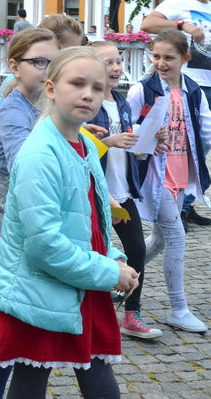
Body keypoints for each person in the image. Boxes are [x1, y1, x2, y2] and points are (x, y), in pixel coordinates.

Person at [0, 47, 138, 399]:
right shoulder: (39, 154)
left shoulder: (83, 142)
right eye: (77, 83)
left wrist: (115, 256)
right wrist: (109, 272)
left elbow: (94, 218)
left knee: (96, 377)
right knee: (30, 377)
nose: (88, 94)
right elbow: (43, 245)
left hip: (83, 279)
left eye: (97, 88)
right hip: (43, 287)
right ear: (51, 88)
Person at [127, 29, 211, 333]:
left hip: (180, 174)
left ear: (185, 59)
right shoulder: (141, 90)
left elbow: (210, 128)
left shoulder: (193, 90)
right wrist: (142, 134)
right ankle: (179, 309)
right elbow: (125, 125)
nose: (160, 62)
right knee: (176, 237)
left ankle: (114, 276)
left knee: (158, 239)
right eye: (156, 56)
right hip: (153, 178)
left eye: (168, 57)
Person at [141, 0, 211, 228]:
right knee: (183, 143)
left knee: (201, 148)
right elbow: (147, 23)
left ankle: (187, 204)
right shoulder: (178, 2)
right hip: (186, 82)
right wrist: (182, 26)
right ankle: (171, 203)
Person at [87, 40, 163, 340]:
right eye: (109, 62)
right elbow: (78, 148)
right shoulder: (88, 104)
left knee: (136, 251)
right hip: (96, 193)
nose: (116, 67)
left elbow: (133, 150)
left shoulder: (120, 102)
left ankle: (132, 315)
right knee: (97, 252)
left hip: (124, 190)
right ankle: (90, 314)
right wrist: (109, 142)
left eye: (118, 61)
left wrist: (150, 142)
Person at [0, 28, 61, 279]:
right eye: (38, 62)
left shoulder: (47, 104)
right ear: (15, 67)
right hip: (11, 206)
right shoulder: (13, 110)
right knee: (15, 282)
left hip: (38, 204)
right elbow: (23, 165)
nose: (47, 70)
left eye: (53, 63)